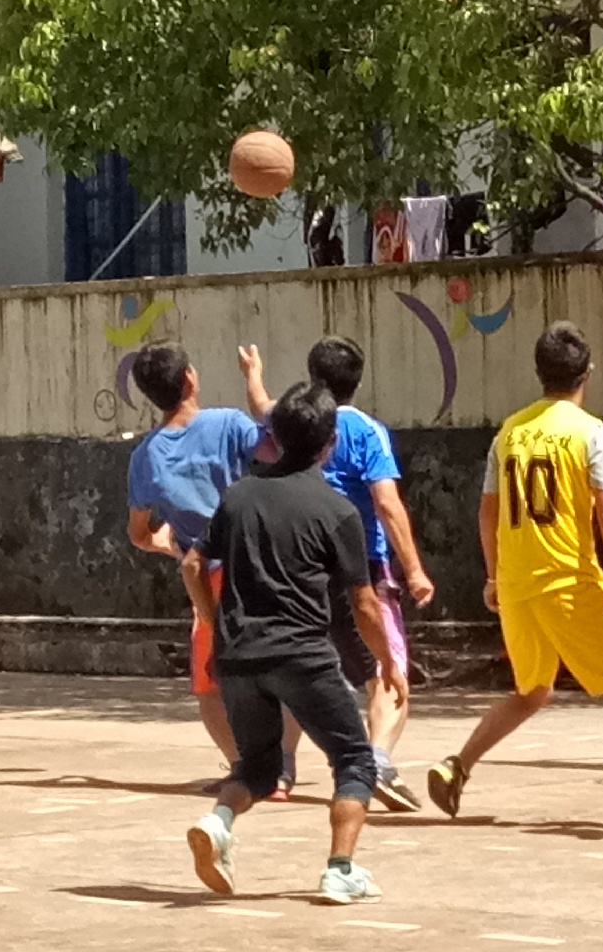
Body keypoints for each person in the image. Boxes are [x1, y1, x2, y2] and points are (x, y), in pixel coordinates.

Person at [427, 322, 603, 832]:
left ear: (539, 373)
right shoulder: (593, 433)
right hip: (569, 581)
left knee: (533, 690)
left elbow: (487, 511)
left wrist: (494, 577)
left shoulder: (509, 432)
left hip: (519, 585)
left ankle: (457, 765)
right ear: (588, 372)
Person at [181, 382, 405, 904]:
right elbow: (364, 603)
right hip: (303, 654)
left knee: (259, 768)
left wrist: (213, 622)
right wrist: (387, 662)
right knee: (355, 760)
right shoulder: (337, 511)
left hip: (238, 657)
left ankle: (218, 823)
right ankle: (340, 869)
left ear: (275, 437)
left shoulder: (238, 496)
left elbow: (192, 565)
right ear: (330, 443)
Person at [239, 337, 436, 813]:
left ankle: (281, 768)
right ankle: (377, 760)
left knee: (299, 665)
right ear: (359, 381)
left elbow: (261, 406)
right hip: (358, 564)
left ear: (311, 377)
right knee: (387, 670)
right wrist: (414, 570)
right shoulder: (366, 431)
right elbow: (386, 503)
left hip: (298, 565)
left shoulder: (293, 420)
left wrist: (253, 373)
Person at [126, 345, 300, 795]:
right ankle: (281, 764)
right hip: (258, 565)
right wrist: (254, 378)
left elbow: (139, 533)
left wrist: (165, 541)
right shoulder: (228, 424)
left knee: (209, 682)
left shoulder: (146, 456)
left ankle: (247, 765)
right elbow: (278, 449)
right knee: (289, 665)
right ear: (190, 378)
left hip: (204, 577)